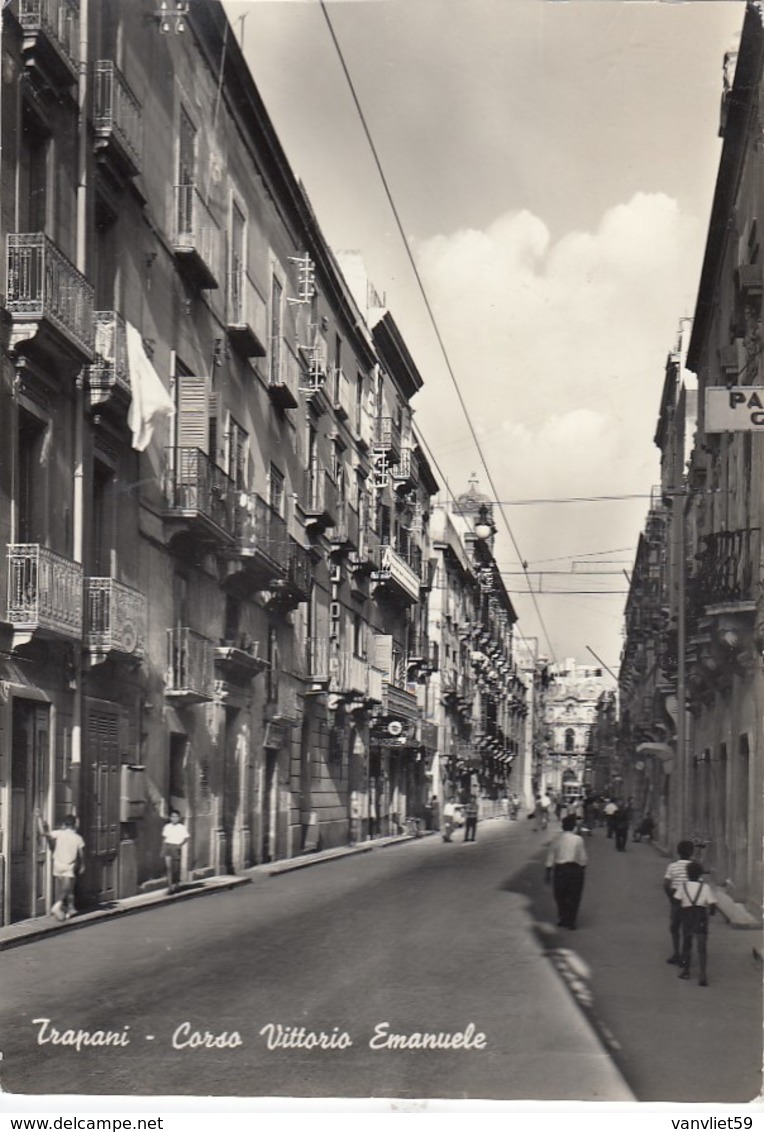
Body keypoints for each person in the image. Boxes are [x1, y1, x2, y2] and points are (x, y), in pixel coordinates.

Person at [35, 809, 85, 922]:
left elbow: (44, 833)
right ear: (74, 825)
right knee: (68, 888)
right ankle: (58, 905)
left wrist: (39, 818)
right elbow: (81, 854)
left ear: (64, 824)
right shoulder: (78, 838)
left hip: (57, 863)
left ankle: (71, 908)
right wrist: (82, 865)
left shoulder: (58, 833)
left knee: (65, 888)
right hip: (69, 865)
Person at [675, 859, 716, 985]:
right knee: (702, 946)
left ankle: (686, 971)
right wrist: (711, 912)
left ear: (687, 874)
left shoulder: (683, 886)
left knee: (687, 943)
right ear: (700, 874)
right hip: (701, 916)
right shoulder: (705, 887)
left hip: (687, 915)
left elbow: (677, 901)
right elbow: (712, 904)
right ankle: (702, 974)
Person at [545, 814, 588, 929]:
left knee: (560, 895)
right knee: (574, 896)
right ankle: (571, 921)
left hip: (560, 870)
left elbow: (551, 855)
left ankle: (562, 917)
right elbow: (583, 858)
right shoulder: (578, 839)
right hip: (575, 869)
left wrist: (548, 871)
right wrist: (582, 869)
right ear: (573, 827)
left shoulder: (556, 839)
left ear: (563, 827)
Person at [663, 839, 695, 965]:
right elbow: (699, 883)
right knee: (688, 929)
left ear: (678, 852)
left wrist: (672, 898)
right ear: (691, 852)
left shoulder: (672, 866)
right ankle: (686, 955)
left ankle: (677, 953)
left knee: (675, 927)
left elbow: (666, 885)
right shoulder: (694, 866)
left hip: (677, 900)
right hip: (690, 901)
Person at [162, 808, 190, 894]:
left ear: (179, 818)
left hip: (176, 847)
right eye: (173, 816)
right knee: (169, 867)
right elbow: (165, 837)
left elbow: (186, 838)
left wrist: (180, 845)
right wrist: (165, 846)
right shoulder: (167, 826)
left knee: (176, 868)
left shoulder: (181, 827)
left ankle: (177, 885)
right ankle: (170, 887)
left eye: (176, 817)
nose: (174, 818)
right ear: (170, 818)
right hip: (168, 846)